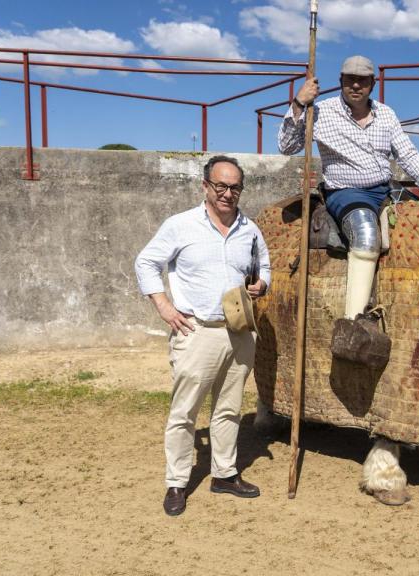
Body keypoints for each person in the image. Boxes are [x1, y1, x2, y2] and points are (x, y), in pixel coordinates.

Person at [134, 155, 271, 517]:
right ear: (205, 187)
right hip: (196, 331)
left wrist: (261, 283)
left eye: (235, 187)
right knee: (185, 412)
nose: (228, 194)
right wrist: (164, 307)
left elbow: (264, 265)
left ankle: (224, 473)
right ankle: (177, 481)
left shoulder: (250, 229)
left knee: (229, 409)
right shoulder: (180, 225)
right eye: (221, 186)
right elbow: (146, 262)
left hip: (239, 331)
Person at [278, 54, 419, 321]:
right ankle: (354, 323)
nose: (356, 86)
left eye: (362, 81)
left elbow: (407, 153)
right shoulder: (320, 111)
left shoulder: (386, 113)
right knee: (367, 234)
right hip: (346, 192)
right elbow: (287, 146)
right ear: (341, 82)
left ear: (373, 83)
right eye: (350, 80)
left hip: (386, 189)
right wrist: (300, 102)